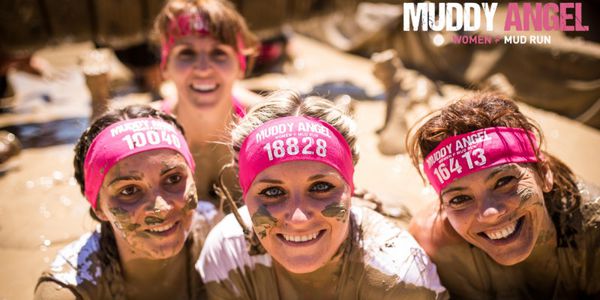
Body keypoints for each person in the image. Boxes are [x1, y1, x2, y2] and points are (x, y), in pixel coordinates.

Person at [197, 90, 447, 299]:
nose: (298, 218)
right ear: (244, 193)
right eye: (272, 192)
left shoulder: (398, 273)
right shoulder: (228, 253)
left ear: (352, 187)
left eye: (320, 187)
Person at [406, 92, 600, 299]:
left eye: (504, 182)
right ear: (443, 205)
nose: (489, 213)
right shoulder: (437, 247)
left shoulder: (593, 230)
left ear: (544, 174)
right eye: (460, 199)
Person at [34, 105, 218, 299]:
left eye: (173, 179)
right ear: (98, 207)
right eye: (129, 190)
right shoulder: (68, 289)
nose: (161, 209)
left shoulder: (223, 236)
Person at [154, 0, 261, 209]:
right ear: (165, 66)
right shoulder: (148, 129)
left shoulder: (265, 123)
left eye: (219, 53)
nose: (203, 69)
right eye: (187, 53)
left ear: (241, 66)